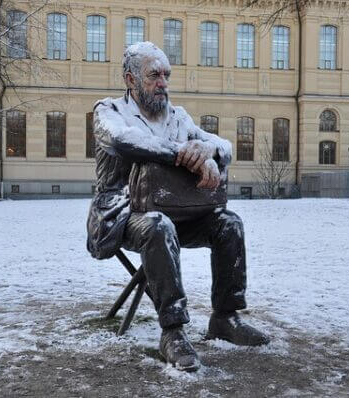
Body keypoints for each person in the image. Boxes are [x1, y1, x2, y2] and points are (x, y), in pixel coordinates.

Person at [87, 42, 269, 372]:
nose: (163, 83)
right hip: (121, 216)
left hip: (178, 213)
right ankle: (172, 332)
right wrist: (181, 154)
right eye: (154, 75)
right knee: (158, 226)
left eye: (166, 76)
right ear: (131, 79)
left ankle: (225, 317)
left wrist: (206, 150)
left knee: (229, 223)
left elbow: (224, 146)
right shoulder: (108, 112)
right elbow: (122, 141)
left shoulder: (178, 116)